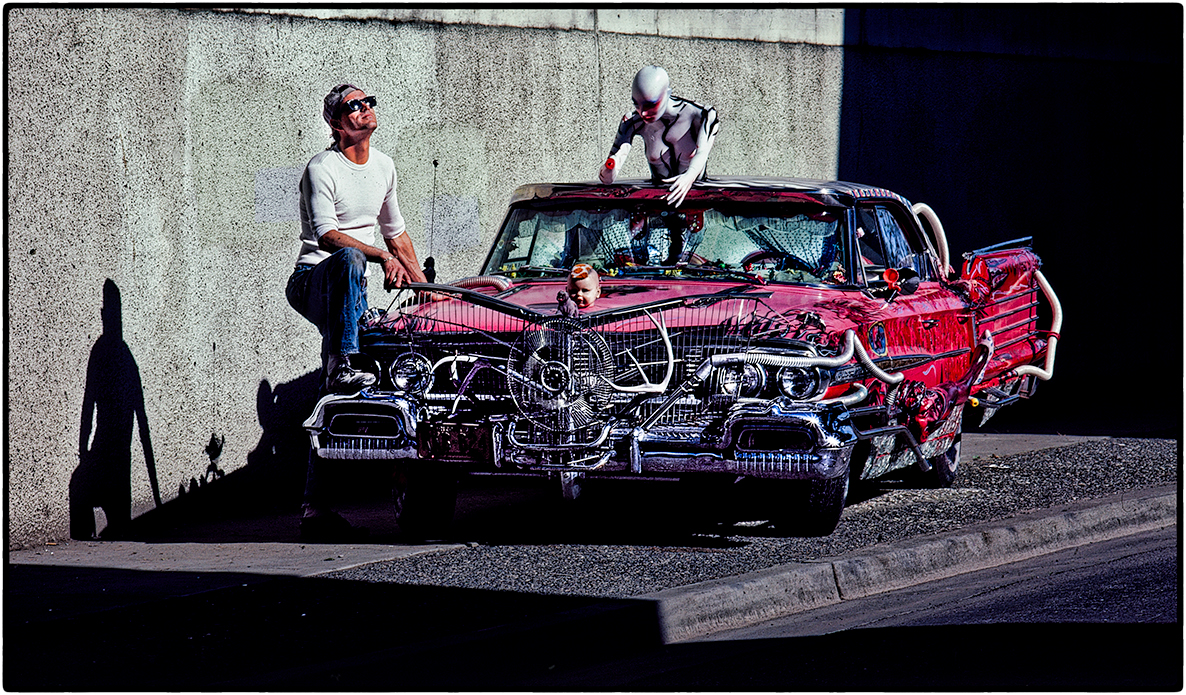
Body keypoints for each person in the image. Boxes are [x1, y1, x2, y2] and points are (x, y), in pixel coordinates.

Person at [286, 82, 427, 540]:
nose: (364, 109)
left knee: (345, 385)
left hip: (351, 293)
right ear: (335, 122)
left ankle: (315, 509)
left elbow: (397, 235)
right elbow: (328, 236)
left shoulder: (384, 166)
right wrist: (382, 259)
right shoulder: (321, 168)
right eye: (353, 106)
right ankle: (346, 360)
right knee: (348, 259)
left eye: (369, 102)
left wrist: (430, 293)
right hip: (314, 281)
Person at [599, 65, 721, 208]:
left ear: (667, 93)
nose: (643, 112)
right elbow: (607, 179)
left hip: (698, 208)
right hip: (658, 211)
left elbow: (702, 153)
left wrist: (689, 177)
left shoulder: (702, 115)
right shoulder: (633, 121)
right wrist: (611, 166)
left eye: (651, 104)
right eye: (636, 104)